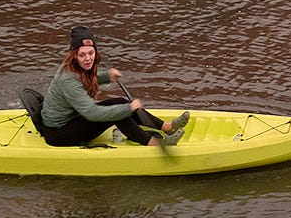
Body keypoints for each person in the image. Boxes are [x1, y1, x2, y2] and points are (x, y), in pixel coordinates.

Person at [40, 26, 187, 147]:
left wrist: (106, 76)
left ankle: (167, 127)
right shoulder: (67, 79)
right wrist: (127, 109)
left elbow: (85, 81)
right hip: (59, 133)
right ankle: (153, 144)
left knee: (121, 103)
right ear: (74, 55)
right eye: (82, 55)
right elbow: (91, 112)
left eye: (91, 53)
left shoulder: (77, 67)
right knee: (120, 113)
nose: (88, 59)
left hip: (72, 119)